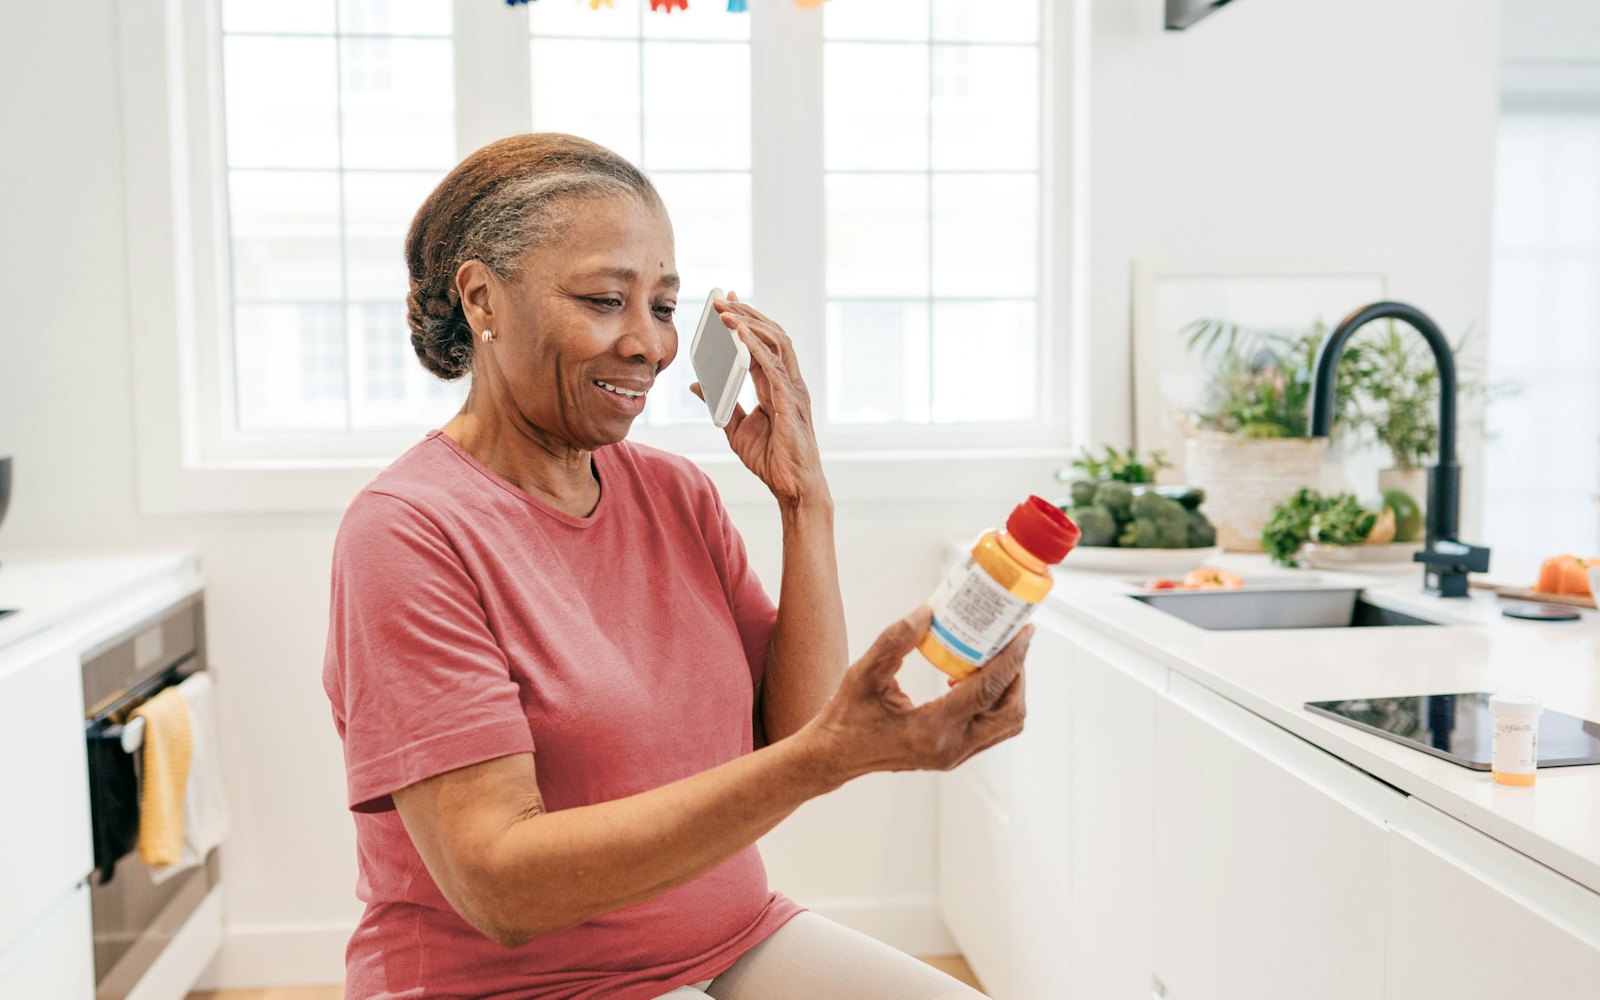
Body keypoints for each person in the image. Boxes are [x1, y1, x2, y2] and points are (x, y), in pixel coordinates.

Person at [322, 133, 1030, 1000]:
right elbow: (498, 886)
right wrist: (829, 757)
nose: (647, 346)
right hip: (517, 983)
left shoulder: (676, 494)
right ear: (483, 299)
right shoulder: (407, 533)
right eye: (603, 299)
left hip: (729, 939)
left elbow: (797, 728)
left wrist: (806, 502)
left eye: (661, 307)